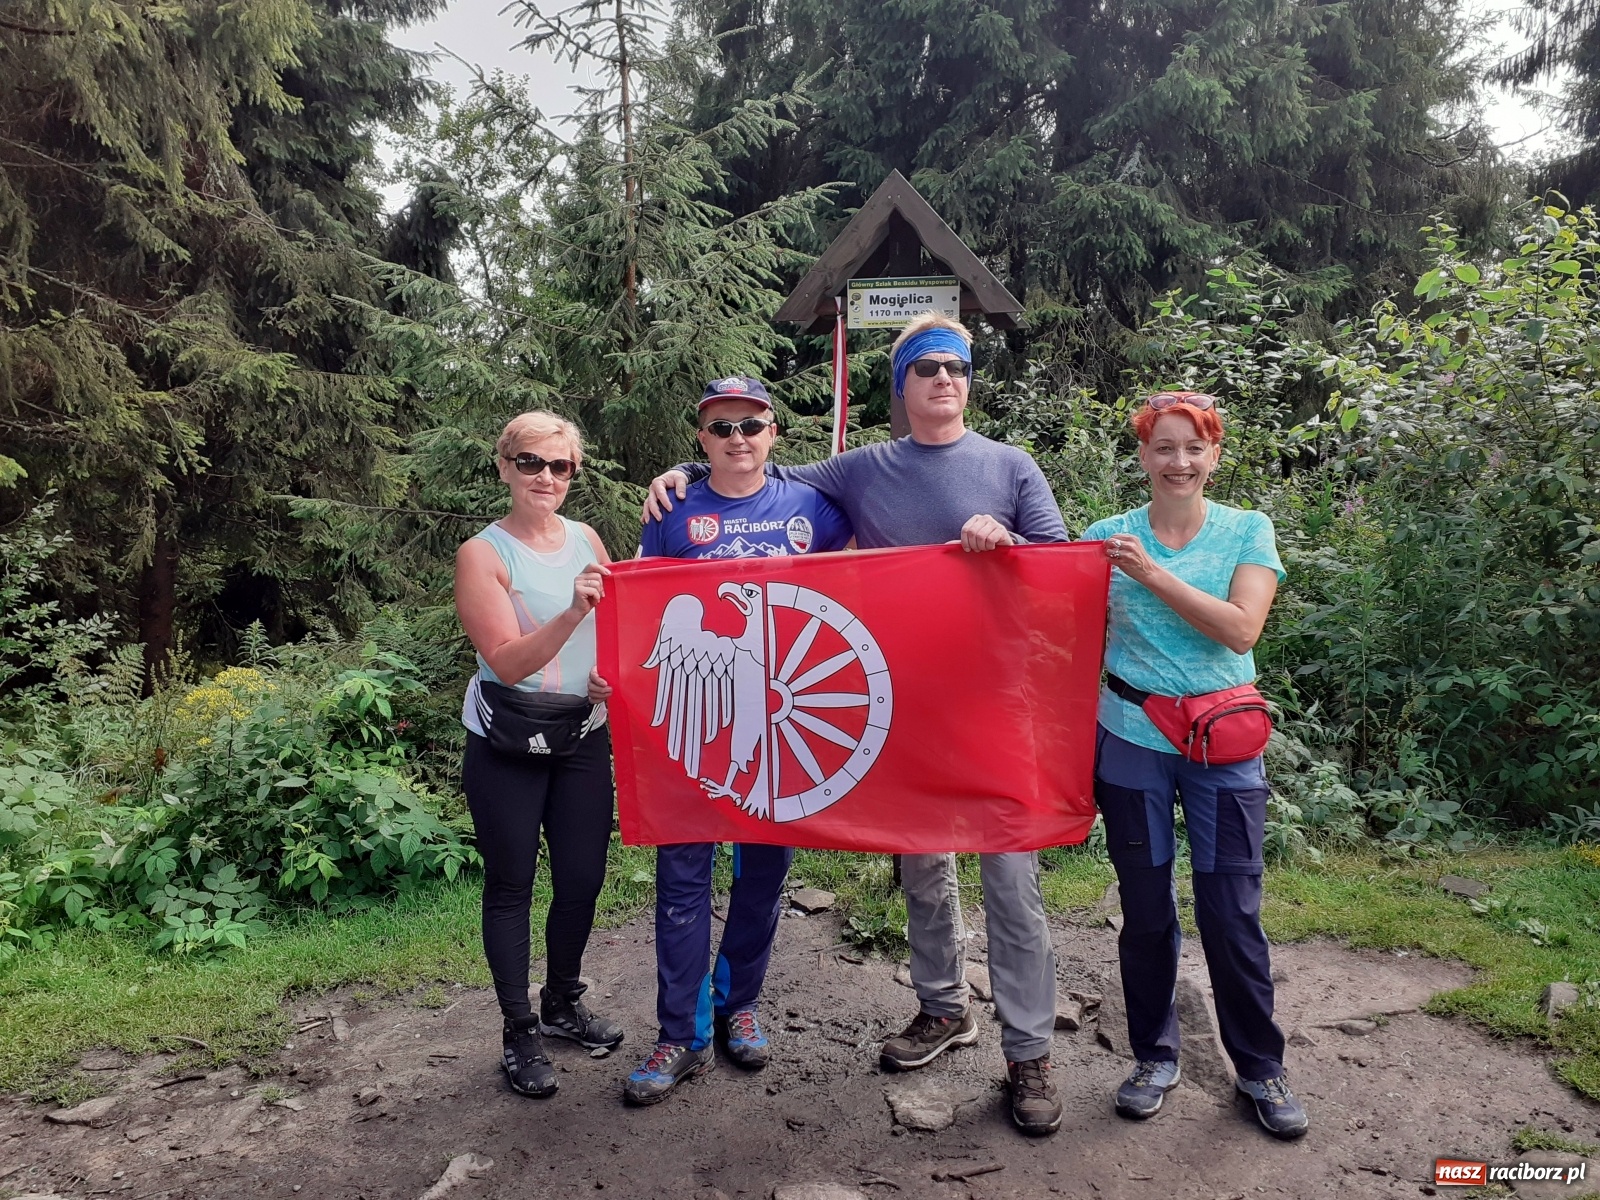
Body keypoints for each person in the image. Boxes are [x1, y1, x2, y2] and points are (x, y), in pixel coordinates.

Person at [643, 314, 1071, 1136]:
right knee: (923, 871)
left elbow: (1060, 577)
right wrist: (682, 469)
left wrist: (1008, 540)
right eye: (927, 368)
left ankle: (1030, 1054)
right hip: (906, 713)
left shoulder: (1012, 466)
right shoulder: (863, 468)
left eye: (957, 367)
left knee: (1012, 886)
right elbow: (756, 470)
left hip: (992, 708)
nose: (945, 379)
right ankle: (945, 1010)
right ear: (901, 384)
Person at [624, 375, 854, 1106]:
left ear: (773, 431)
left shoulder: (812, 506)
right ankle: (680, 1034)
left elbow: (870, 587)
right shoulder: (672, 507)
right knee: (682, 883)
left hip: (783, 730)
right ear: (701, 438)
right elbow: (639, 609)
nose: (736, 440)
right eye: (720, 428)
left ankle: (738, 1006)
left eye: (750, 425)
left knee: (762, 878)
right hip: (692, 729)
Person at [1084, 390, 1308, 1139]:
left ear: (1214, 454)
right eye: (1164, 448)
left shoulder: (1248, 530)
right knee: (1146, 914)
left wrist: (1150, 575)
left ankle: (1259, 1068)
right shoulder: (1103, 536)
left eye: (1193, 448)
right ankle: (1153, 1056)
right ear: (1142, 455)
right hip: (1131, 739)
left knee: (1231, 911)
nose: (1179, 462)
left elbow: (1240, 630)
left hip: (1222, 748)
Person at [454, 411, 624, 1100]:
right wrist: (575, 614)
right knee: (512, 884)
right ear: (504, 467)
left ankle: (560, 1001)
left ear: (573, 474)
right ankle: (518, 1029)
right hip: (507, 740)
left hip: (582, 735)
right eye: (530, 463)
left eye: (560, 467)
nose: (545, 478)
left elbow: (617, 624)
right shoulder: (483, 554)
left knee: (582, 879)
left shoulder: (586, 538)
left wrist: (615, 672)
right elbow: (506, 659)